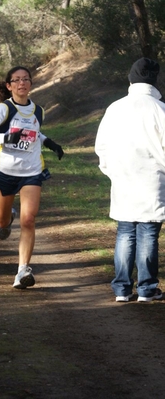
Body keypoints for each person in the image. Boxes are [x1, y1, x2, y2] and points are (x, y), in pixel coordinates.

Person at [0, 66, 64, 289]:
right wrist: (8, 138)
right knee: (2, 221)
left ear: (31, 84)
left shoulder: (38, 110)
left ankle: (23, 270)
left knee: (29, 220)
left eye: (26, 79)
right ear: (9, 86)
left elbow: (34, 132)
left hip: (32, 171)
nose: (22, 83)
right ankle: (8, 218)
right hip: (6, 172)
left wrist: (49, 142)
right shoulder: (3, 109)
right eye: (16, 80)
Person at [95, 57, 165, 302]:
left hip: (123, 176)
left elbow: (101, 146)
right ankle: (146, 289)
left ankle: (122, 289)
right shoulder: (160, 109)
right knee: (148, 232)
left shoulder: (115, 107)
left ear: (131, 79)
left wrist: (111, 170)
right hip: (152, 178)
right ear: (153, 81)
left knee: (125, 231)